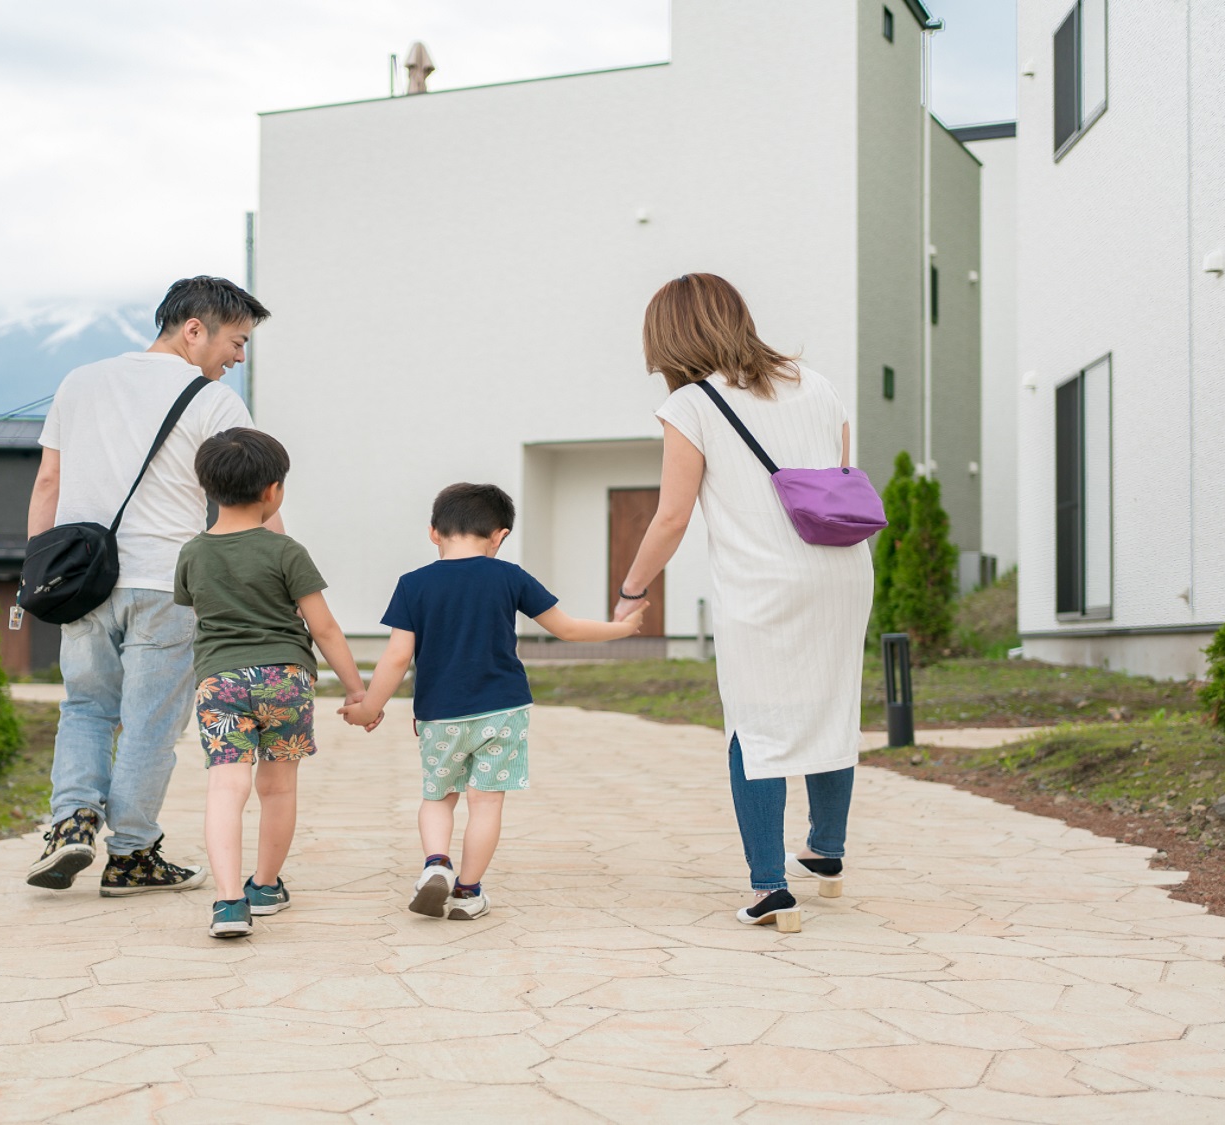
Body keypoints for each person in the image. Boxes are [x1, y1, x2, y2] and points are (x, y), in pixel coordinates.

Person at [611, 273, 872, 933]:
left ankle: (770, 889)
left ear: (671, 337)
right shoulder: (817, 384)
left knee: (755, 724)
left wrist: (632, 587)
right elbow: (838, 479)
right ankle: (827, 851)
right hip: (843, 571)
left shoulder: (693, 404)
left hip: (765, 582)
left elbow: (671, 517)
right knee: (831, 699)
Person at [25, 276, 273, 896]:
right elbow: (248, 502)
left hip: (82, 583)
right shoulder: (215, 403)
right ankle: (132, 854)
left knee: (85, 707)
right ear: (195, 330)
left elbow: (48, 483)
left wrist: (38, 573)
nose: (238, 358)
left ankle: (72, 822)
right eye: (236, 342)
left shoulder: (79, 381)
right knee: (150, 726)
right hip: (169, 585)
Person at [341, 484, 646, 920]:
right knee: (486, 802)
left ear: (433, 533)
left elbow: (397, 656)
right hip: (502, 711)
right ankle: (467, 893)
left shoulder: (413, 584)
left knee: (438, 796)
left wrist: (370, 708)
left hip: (438, 715)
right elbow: (568, 630)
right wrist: (622, 629)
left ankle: (436, 864)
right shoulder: (510, 577)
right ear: (499, 536)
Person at [174, 428, 367, 938]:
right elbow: (323, 627)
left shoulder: (192, 554)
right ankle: (263, 886)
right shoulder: (286, 551)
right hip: (284, 680)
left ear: (207, 490)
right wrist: (355, 689)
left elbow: (199, 616)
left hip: (219, 683)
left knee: (226, 787)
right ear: (273, 491)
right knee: (277, 788)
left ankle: (228, 901)